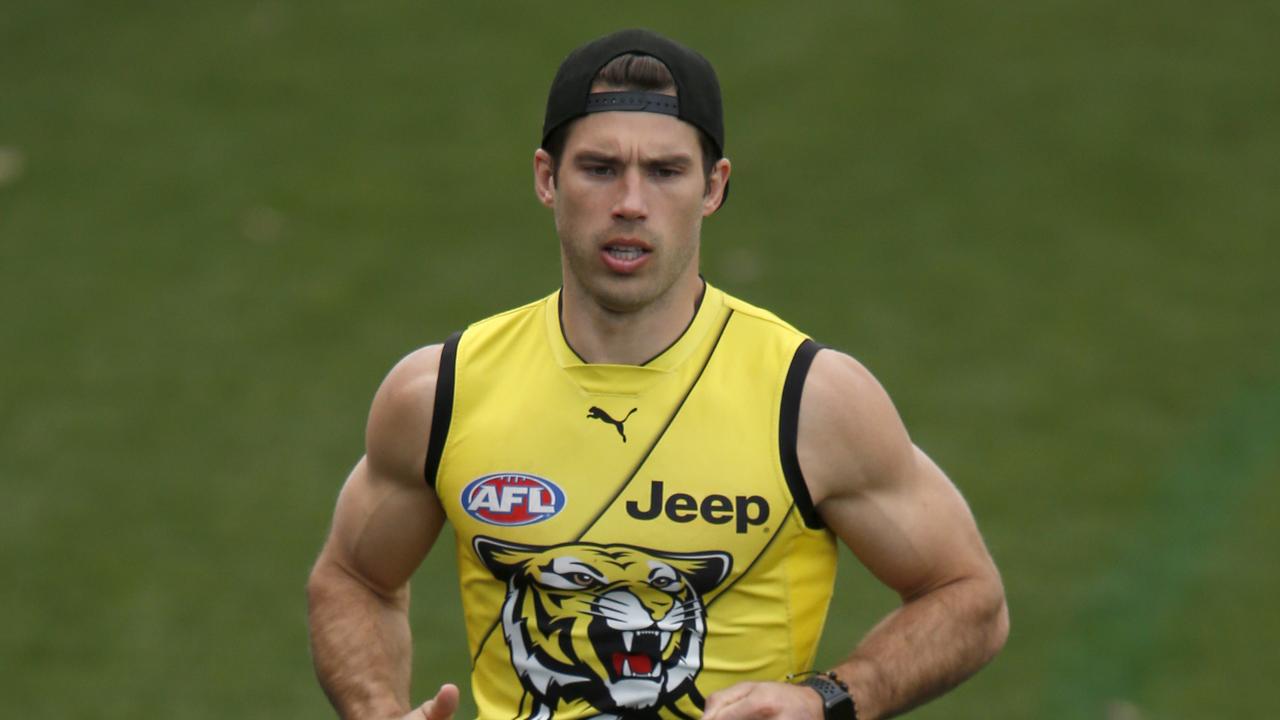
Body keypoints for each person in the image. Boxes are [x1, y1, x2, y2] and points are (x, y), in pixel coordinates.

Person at [307, 28, 1008, 720]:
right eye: (600, 168)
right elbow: (354, 578)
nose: (631, 204)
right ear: (548, 179)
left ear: (713, 187)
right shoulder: (442, 393)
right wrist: (376, 710)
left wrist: (826, 700)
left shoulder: (811, 400)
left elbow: (969, 596)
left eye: (666, 172)